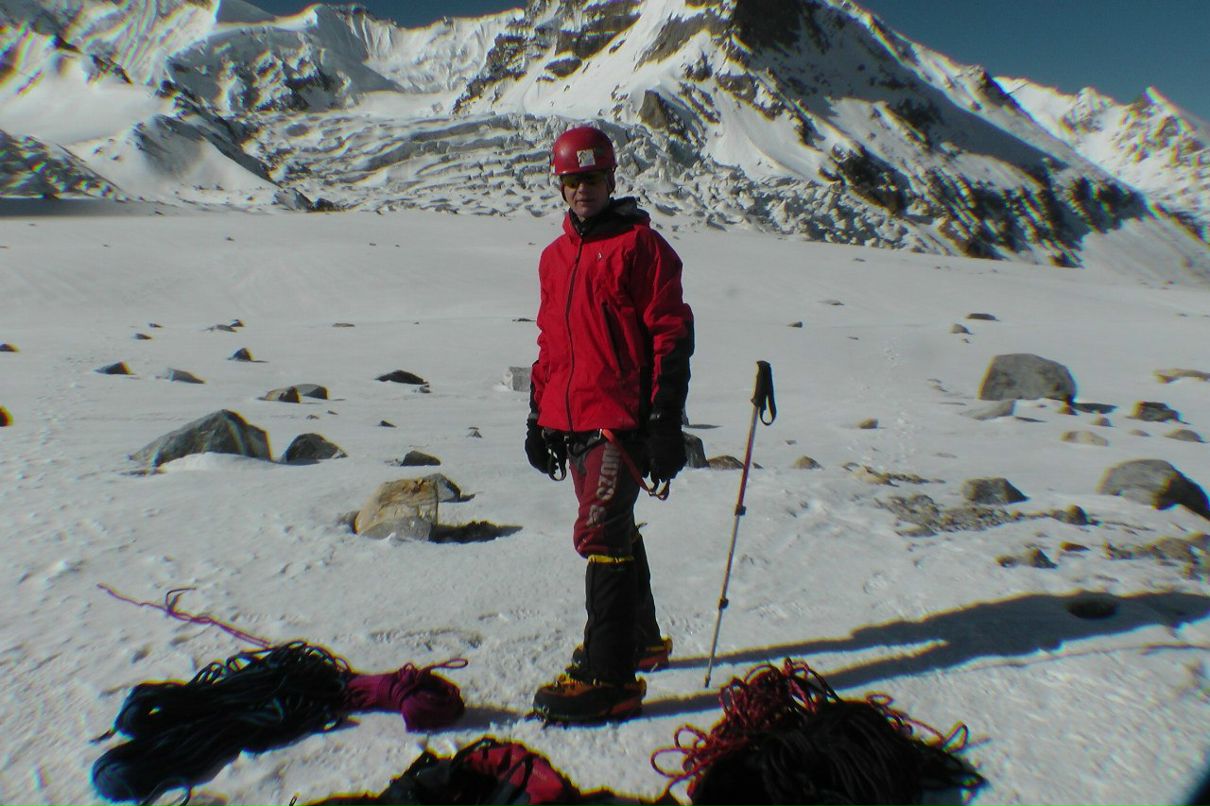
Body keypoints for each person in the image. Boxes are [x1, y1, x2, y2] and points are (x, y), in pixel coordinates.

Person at [525, 125, 694, 723]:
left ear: (611, 179)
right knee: (616, 528)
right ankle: (639, 640)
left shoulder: (642, 248)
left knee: (600, 536)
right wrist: (538, 415)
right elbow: (553, 343)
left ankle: (610, 676)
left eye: (591, 179)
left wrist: (664, 421)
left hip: (621, 423)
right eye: (571, 180)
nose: (581, 190)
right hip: (572, 422)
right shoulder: (554, 257)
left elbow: (671, 335)